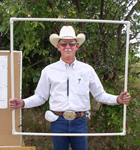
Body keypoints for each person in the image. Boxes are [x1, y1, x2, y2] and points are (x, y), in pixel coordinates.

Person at [9, 25, 131, 150]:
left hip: (79, 122)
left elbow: (100, 95)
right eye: (64, 43)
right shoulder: (48, 70)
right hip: (58, 121)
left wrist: (117, 99)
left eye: (71, 43)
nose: (68, 47)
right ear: (58, 46)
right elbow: (41, 96)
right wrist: (23, 103)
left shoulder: (87, 70)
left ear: (77, 46)